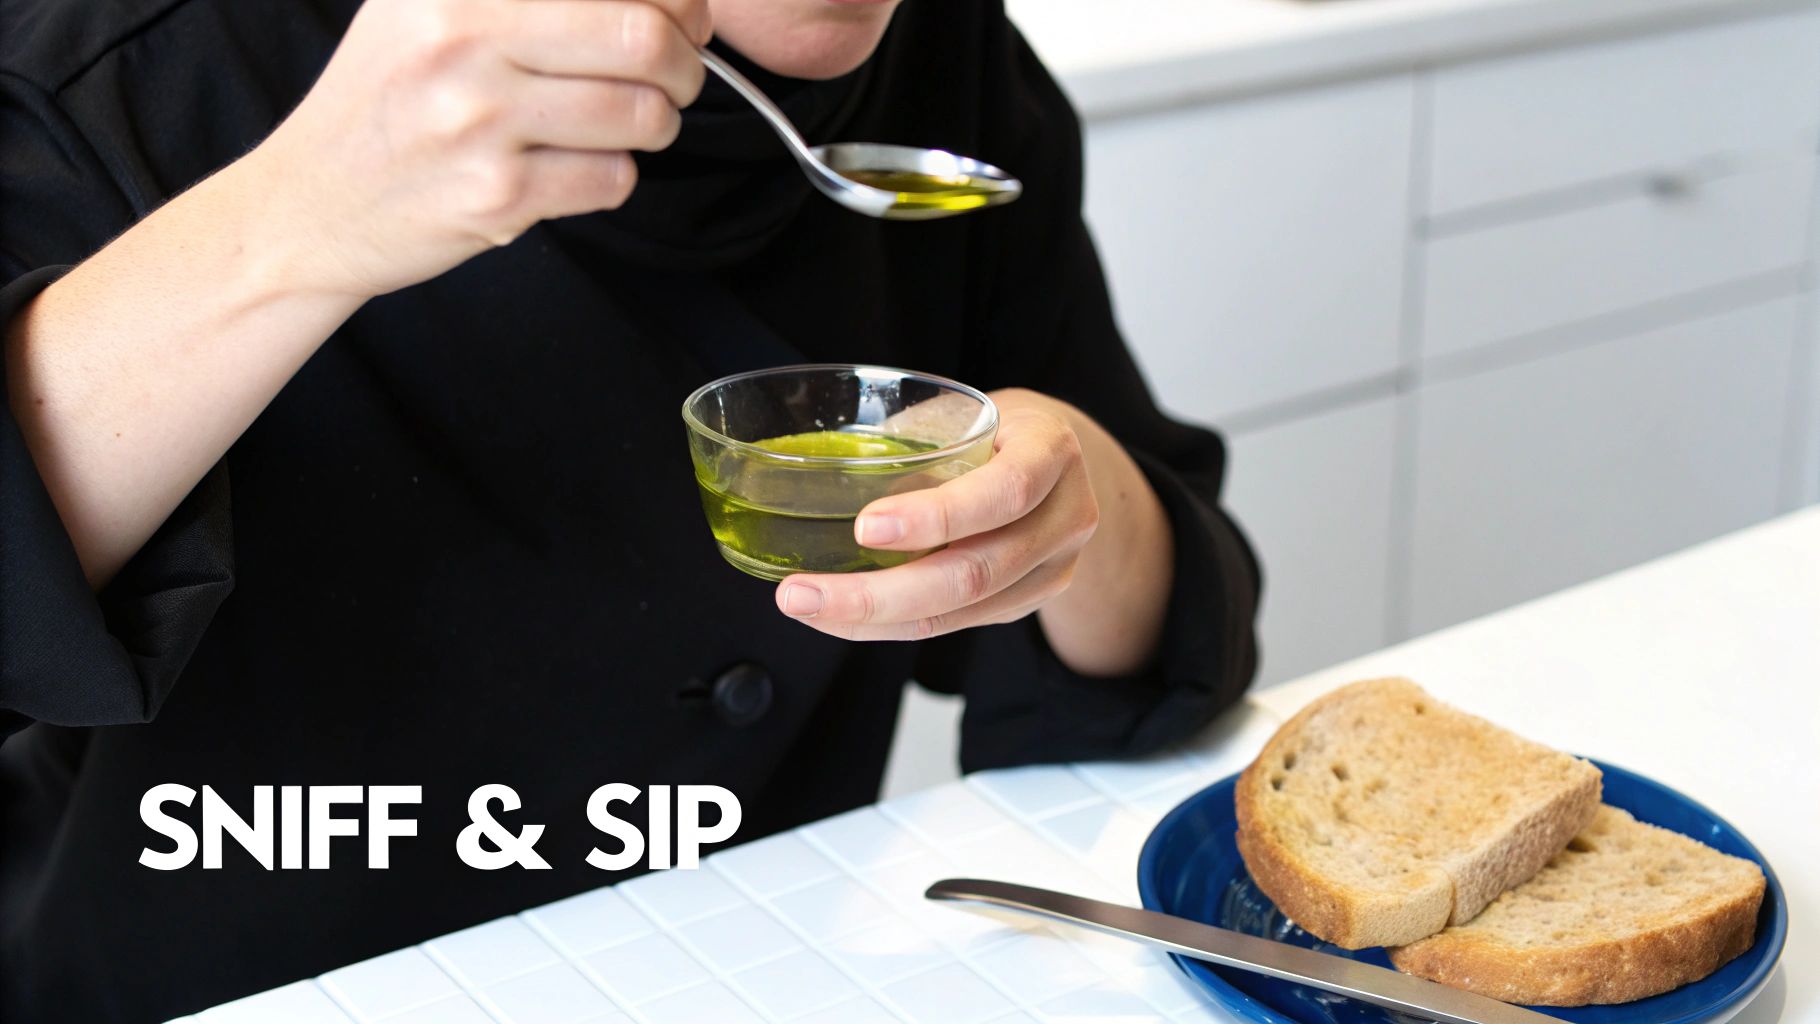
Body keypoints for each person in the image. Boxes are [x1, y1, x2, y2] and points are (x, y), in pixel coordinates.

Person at [0, 0, 1262, 1017]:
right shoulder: (139, 60)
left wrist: (1069, 501)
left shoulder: (947, 60)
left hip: (728, 967)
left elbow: (1154, 654)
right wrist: (296, 218)